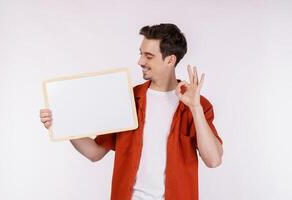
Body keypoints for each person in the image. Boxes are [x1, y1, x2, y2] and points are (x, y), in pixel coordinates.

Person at [40, 23, 223, 200]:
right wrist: (64, 123)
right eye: (141, 54)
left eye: (149, 56)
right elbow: (94, 153)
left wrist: (195, 107)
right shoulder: (128, 99)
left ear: (170, 60)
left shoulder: (198, 105)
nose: (140, 61)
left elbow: (213, 160)